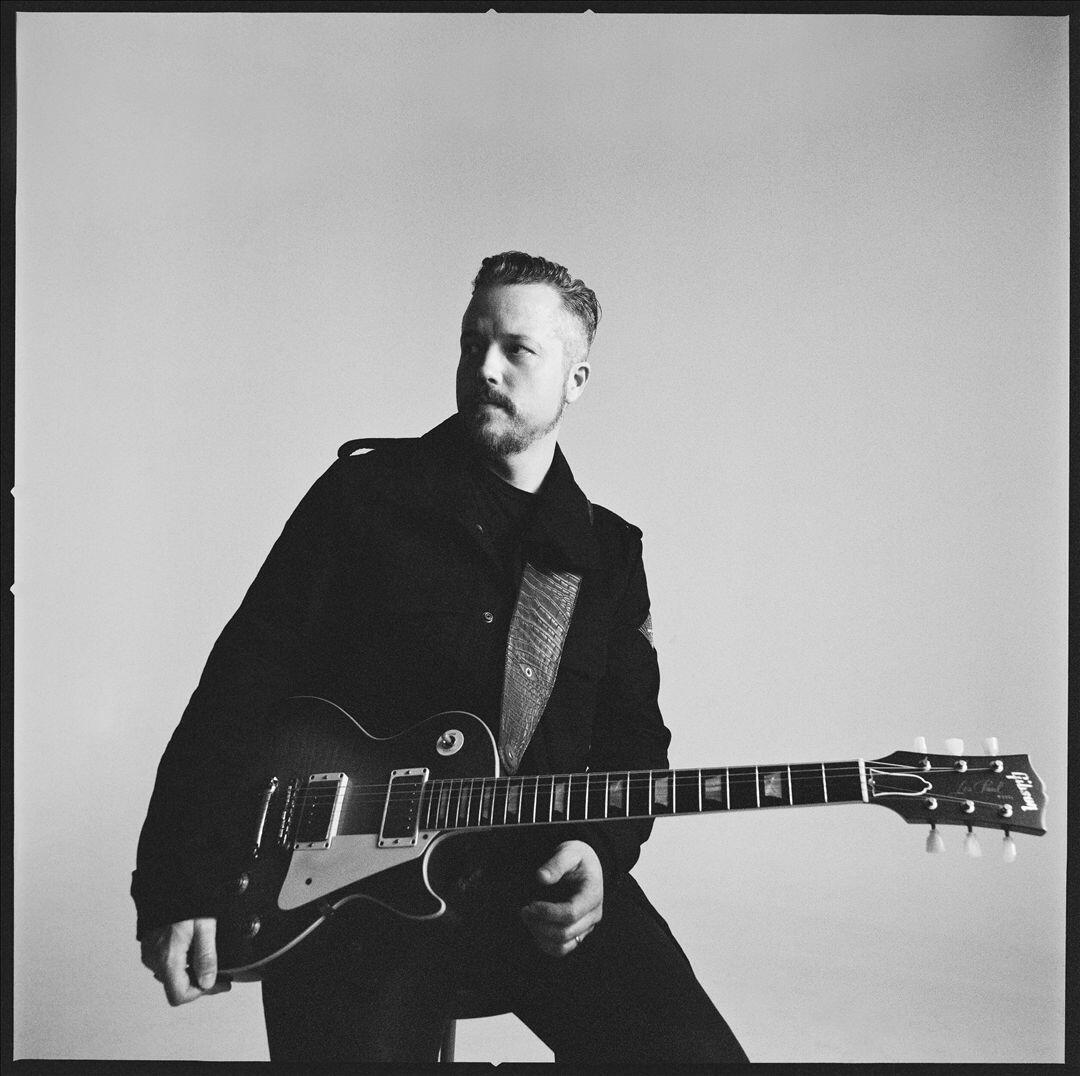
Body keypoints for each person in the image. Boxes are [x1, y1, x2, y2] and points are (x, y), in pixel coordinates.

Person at [133, 252, 749, 1064]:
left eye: (517, 349)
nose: (484, 368)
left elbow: (633, 741)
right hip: (350, 898)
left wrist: (600, 851)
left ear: (575, 379)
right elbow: (239, 686)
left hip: (530, 881)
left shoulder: (603, 554)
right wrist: (179, 883)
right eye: (472, 344)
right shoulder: (363, 499)